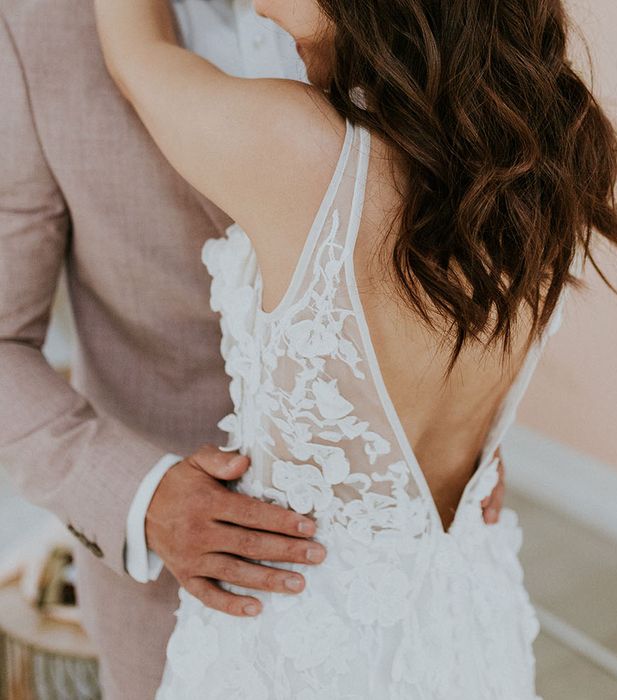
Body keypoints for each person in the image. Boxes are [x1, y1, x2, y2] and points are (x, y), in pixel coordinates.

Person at [92, 0, 617, 697]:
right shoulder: (556, 158)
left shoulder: (296, 146)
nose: (256, 8)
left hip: (301, 647)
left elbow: (137, 56)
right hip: (466, 627)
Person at [0, 0, 506, 696]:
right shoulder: (32, 25)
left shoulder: (426, 18)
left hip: (409, 580)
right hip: (181, 605)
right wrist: (138, 498)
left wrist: (456, 427)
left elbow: (455, 245)